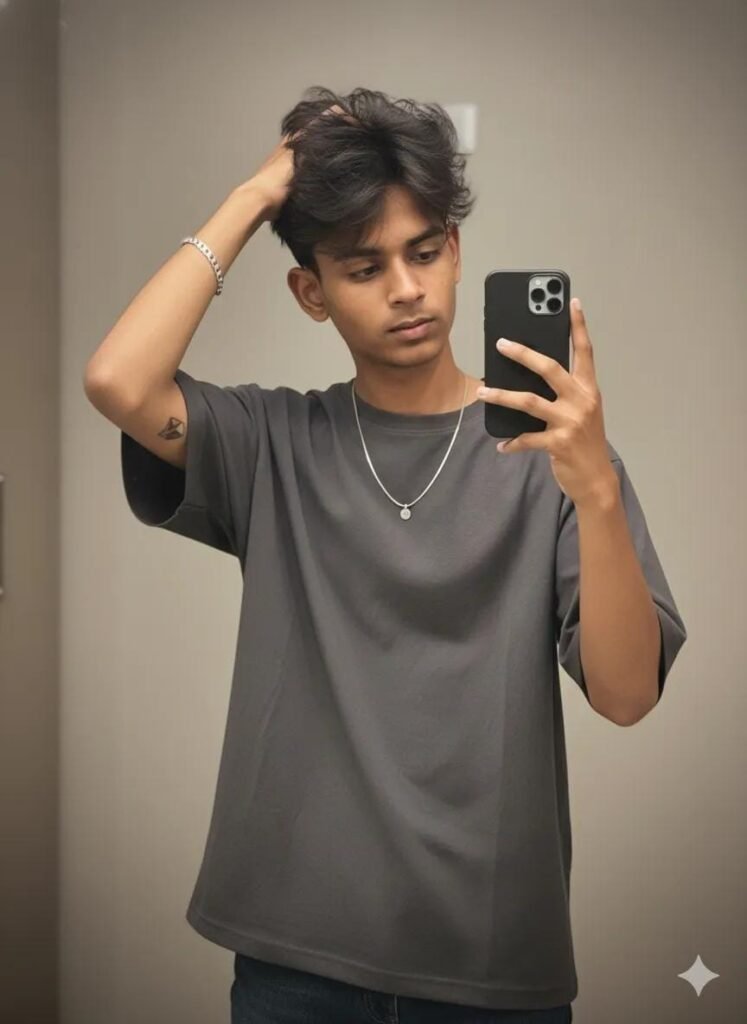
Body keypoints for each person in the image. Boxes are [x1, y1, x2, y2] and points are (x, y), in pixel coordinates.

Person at [83, 86, 687, 1023]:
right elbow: (118, 380)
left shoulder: (556, 461)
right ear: (311, 293)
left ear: (456, 251)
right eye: (364, 267)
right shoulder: (271, 443)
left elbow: (625, 695)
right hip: (293, 961)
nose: (406, 288)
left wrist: (596, 492)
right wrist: (256, 193)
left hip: (489, 969)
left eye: (424, 251)